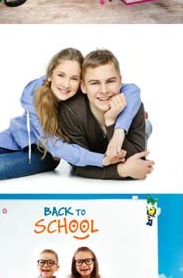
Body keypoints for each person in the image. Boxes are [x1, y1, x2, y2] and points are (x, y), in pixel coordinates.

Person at [0, 46, 150, 183]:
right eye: (61, 75)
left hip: (48, 154)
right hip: (19, 139)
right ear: (50, 75)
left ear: (81, 84)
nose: (66, 84)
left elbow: (131, 90)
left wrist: (120, 130)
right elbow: (54, 142)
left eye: (73, 78)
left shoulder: (86, 91)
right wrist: (102, 160)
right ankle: (145, 128)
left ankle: (144, 128)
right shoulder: (32, 94)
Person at [57, 48, 154, 183]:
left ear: (120, 81)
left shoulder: (133, 104)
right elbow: (77, 166)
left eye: (110, 81)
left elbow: (137, 161)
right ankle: (145, 127)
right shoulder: (71, 112)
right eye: (95, 83)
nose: (104, 91)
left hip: (125, 135)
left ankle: (145, 127)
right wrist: (122, 170)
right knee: (144, 128)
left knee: (145, 128)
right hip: (96, 149)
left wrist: (111, 122)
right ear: (83, 86)